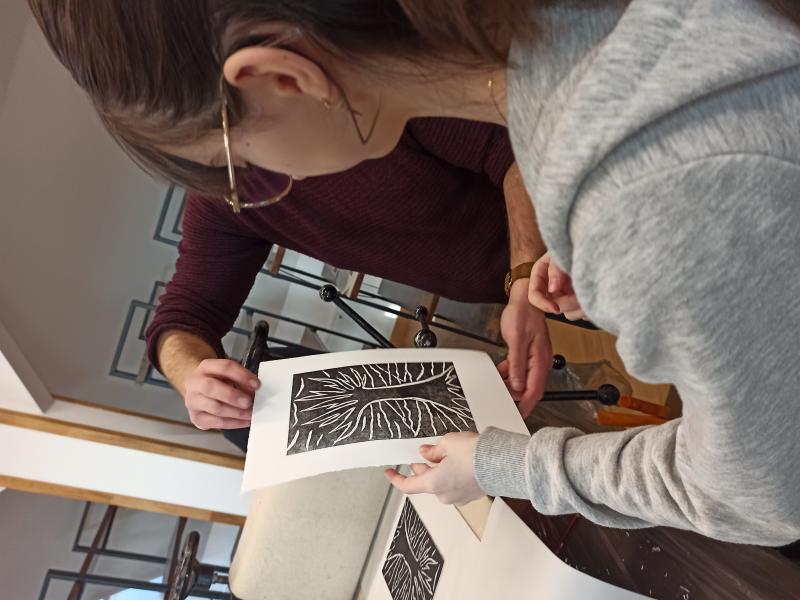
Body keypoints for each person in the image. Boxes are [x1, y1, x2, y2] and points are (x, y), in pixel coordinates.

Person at [28, 0, 800, 546]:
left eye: (227, 166)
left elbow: (755, 495)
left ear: (280, 78)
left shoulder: (631, 188)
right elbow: (181, 315)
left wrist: (501, 464)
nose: (240, 193)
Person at [145, 117, 553, 435]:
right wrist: (192, 377)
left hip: (559, 211)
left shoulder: (353, 92)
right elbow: (183, 315)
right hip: (528, 286)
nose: (279, 180)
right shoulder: (226, 194)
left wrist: (524, 278)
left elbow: (514, 149)